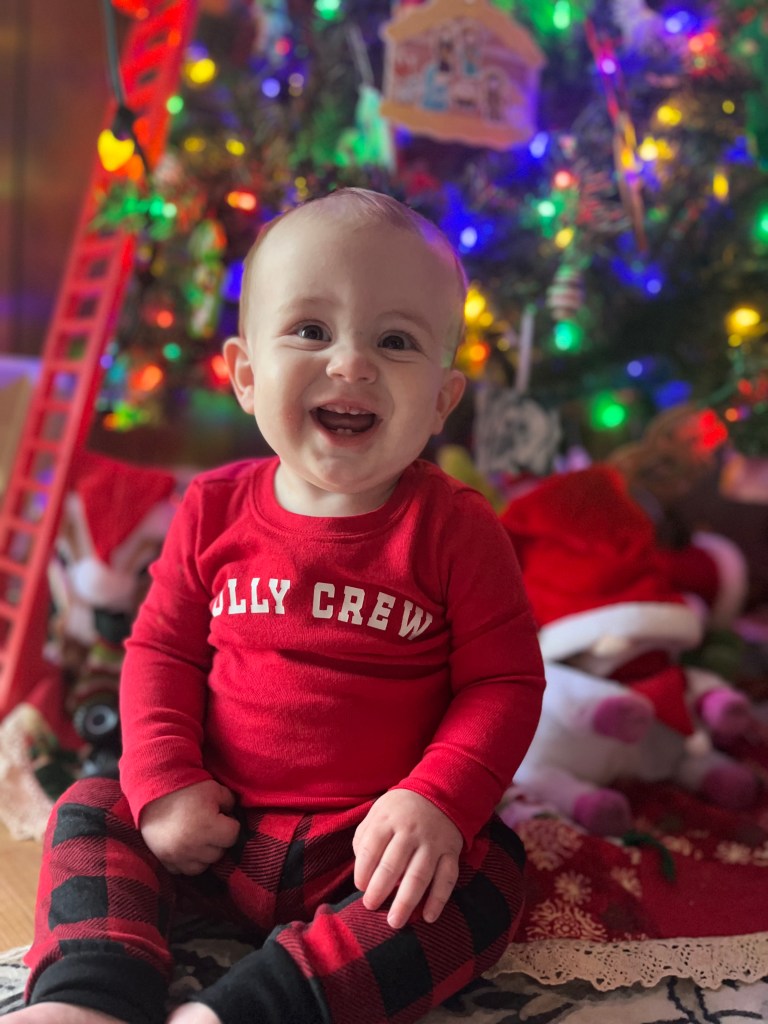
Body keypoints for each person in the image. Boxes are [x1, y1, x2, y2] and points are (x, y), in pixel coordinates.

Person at [12, 187, 546, 1024]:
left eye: (395, 341)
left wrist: (436, 801)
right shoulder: (212, 510)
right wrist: (165, 783)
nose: (352, 363)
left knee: (490, 876)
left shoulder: (456, 530)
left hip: (369, 850)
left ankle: (259, 1007)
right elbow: (160, 653)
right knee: (91, 806)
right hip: (214, 831)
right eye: (311, 330)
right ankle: (92, 990)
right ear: (246, 376)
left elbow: (504, 683)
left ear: (443, 400)